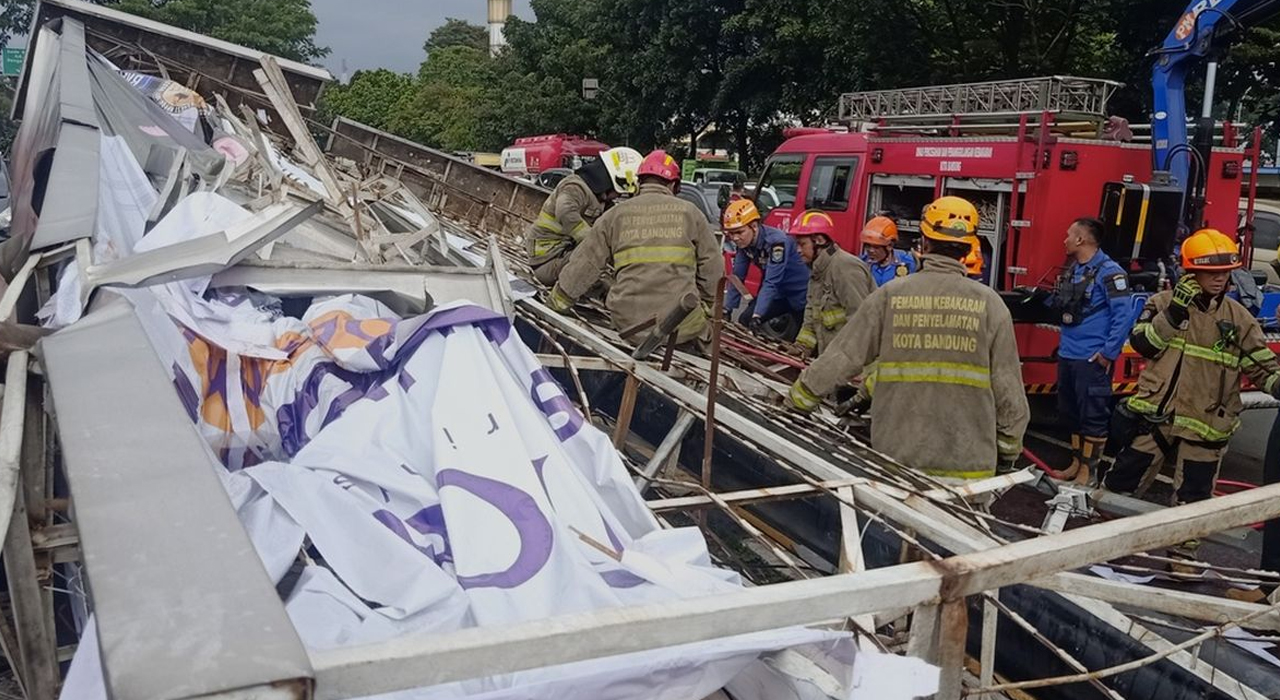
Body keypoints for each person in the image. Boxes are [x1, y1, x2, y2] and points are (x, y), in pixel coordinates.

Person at [789, 196, 1030, 481]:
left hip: (897, 462)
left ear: (924, 244)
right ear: (968, 249)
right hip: (968, 470)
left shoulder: (890, 296)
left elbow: (843, 356)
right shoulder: (991, 306)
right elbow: (1010, 394)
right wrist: (1006, 456)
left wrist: (798, 400)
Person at [1106, 229, 1280, 513]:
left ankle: (1181, 558)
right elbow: (1144, 345)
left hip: (1205, 428)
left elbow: (1263, 369)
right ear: (1190, 273)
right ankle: (1101, 549)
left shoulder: (1239, 319)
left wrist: (1276, 384)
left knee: (1193, 508)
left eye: (1225, 272)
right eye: (1211, 272)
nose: (1220, 278)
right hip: (1156, 420)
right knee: (1117, 492)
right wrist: (1175, 313)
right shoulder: (1162, 304)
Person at [548, 150, 724, 349]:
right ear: (673, 185)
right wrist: (710, 308)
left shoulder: (614, 215)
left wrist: (558, 302)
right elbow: (713, 270)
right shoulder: (691, 214)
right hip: (681, 329)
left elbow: (584, 264)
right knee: (701, 332)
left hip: (630, 328)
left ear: (639, 183)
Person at [1050, 217, 1133, 485]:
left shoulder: (1110, 273)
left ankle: (1089, 471)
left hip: (1091, 358)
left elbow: (1124, 316)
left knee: (1093, 415)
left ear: (1080, 240)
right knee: (1070, 412)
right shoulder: (1074, 269)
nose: (1064, 239)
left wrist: (1108, 353)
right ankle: (1076, 462)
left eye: (1068, 234)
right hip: (1069, 354)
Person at [525, 147, 642, 286]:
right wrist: (593, 242)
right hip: (546, 262)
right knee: (596, 266)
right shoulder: (575, 187)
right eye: (620, 191)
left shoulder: (603, 202)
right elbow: (565, 211)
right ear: (612, 182)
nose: (618, 196)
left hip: (562, 256)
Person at [790, 210, 874, 357]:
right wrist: (802, 347)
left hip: (851, 358)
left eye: (802, 244)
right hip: (831, 356)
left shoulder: (845, 267)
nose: (798, 250)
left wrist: (844, 363)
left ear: (819, 241)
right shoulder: (818, 271)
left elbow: (860, 321)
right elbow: (811, 317)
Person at [722, 199, 810, 338]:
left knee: (800, 340)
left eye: (739, 232)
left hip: (799, 294)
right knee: (744, 320)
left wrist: (757, 315)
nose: (735, 238)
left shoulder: (777, 242)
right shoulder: (745, 244)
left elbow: (771, 281)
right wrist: (727, 309)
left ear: (754, 226)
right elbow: (737, 277)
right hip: (778, 295)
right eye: (731, 234)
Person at [860, 216, 917, 287]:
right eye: (868, 245)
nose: (871, 250)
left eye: (876, 247)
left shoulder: (909, 263)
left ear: (889, 246)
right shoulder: (861, 264)